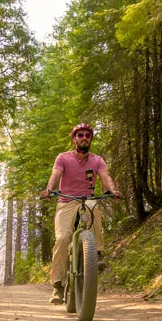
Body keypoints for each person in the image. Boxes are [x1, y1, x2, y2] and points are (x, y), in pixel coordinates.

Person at [40, 123, 122, 305]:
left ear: (90, 139)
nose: (84, 138)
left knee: (95, 210)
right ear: (74, 139)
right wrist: (49, 190)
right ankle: (58, 286)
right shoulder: (63, 158)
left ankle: (96, 254)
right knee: (62, 238)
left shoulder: (97, 160)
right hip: (66, 201)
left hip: (87, 199)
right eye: (80, 135)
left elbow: (106, 178)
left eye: (87, 135)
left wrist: (112, 190)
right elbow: (55, 176)